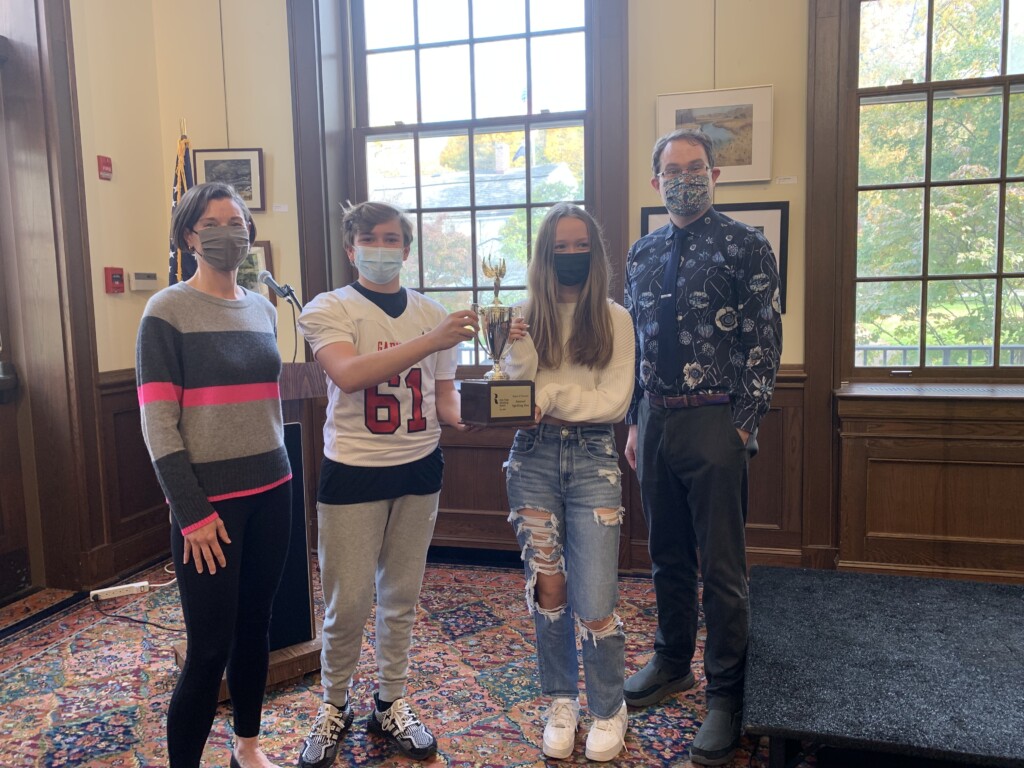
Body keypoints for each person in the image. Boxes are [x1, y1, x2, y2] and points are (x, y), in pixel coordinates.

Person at [295, 201, 478, 768]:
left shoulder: (432, 312)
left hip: (419, 465)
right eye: (370, 238)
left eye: (392, 237)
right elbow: (349, 374)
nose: (382, 246)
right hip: (353, 468)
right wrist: (432, 339)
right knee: (347, 603)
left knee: (401, 595)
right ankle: (334, 706)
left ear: (407, 248)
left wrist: (471, 413)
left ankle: (390, 699)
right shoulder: (330, 307)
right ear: (351, 250)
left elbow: (442, 392)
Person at [623, 128, 782, 766]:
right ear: (656, 181)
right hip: (654, 421)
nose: (685, 178)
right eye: (672, 169)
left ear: (714, 175)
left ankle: (726, 692)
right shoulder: (640, 253)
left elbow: (763, 344)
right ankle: (670, 661)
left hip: (717, 421)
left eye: (696, 167)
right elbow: (636, 348)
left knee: (722, 568)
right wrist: (634, 422)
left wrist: (741, 428)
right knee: (665, 555)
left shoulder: (747, 246)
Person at [136, 182, 293, 768]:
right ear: (188, 235)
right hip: (210, 509)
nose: (231, 231)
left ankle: (247, 748)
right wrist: (192, 513)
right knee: (208, 649)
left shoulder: (261, 306)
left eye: (239, 220)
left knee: (258, 629)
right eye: (216, 221)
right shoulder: (166, 313)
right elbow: (159, 426)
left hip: (274, 492)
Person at [503, 203, 636, 762]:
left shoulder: (614, 318)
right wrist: (519, 346)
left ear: (596, 252)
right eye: (562, 245)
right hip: (531, 459)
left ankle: (608, 708)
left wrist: (552, 397)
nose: (572, 254)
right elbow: (515, 390)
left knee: (596, 596)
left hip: (594, 462)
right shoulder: (520, 314)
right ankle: (561, 701)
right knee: (549, 589)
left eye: (583, 245)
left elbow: (614, 401)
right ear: (544, 251)